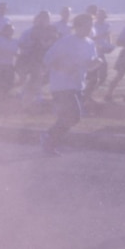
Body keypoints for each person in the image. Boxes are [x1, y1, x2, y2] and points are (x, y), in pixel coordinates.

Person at [43, 13, 95, 152]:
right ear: (77, 27)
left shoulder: (90, 43)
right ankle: (50, 137)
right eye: (86, 25)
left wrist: (96, 63)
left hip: (78, 85)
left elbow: (89, 64)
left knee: (68, 117)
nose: (89, 28)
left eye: (91, 25)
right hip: (62, 85)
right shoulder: (66, 41)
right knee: (74, 116)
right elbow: (48, 58)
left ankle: (50, 142)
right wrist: (65, 69)